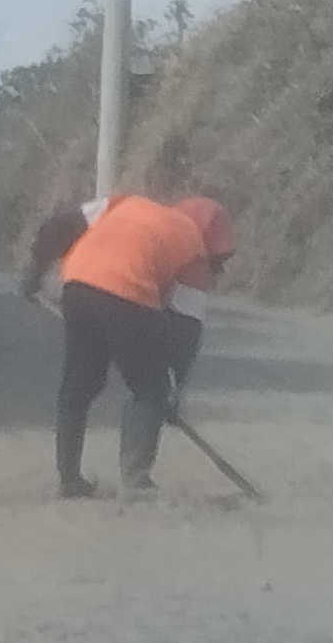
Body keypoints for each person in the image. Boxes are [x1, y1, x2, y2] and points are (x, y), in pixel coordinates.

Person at [18, 189, 235, 497]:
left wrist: (34, 273)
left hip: (78, 284)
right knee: (149, 390)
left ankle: (69, 479)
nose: (218, 267)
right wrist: (169, 393)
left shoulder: (124, 204)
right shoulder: (195, 250)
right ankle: (136, 482)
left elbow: (59, 227)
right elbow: (184, 334)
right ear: (211, 240)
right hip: (130, 293)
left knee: (79, 383)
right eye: (220, 258)